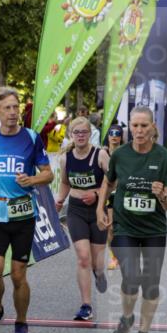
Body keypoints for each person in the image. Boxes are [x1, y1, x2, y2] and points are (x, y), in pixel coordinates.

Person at [0, 87, 53, 333]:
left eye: (16, 107)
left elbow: (48, 173)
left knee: (19, 274)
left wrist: (32, 179)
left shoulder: (31, 137)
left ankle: (21, 322)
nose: (12, 112)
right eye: (7, 108)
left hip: (23, 214)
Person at [97, 106, 167, 333]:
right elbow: (108, 181)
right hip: (124, 226)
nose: (139, 130)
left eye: (144, 126)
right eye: (135, 126)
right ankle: (127, 317)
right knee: (131, 276)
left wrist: (161, 194)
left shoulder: (164, 157)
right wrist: (101, 207)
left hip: (153, 228)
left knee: (151, 284)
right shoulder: (120, 155)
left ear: (153, 127)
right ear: (129, 127)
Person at [55, 117, 111, 320]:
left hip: (98, 211)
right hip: (76, 211)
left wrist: (96, 194)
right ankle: (86, 305)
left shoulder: (101, 155)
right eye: (76, 132)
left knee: (97, 263)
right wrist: (60, 199)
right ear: (71, 134)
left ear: (90, 134)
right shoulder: (65, 158)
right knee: (83, 258)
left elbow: (114, 181)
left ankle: (100, 273)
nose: (80, 136)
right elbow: (64, 182)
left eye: (83, 132)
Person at [103, 123, 125, 270]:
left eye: (118, 134)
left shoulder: (126, 152)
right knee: (109, 228)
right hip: (108, 194)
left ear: (121, 137)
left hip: (123, 193)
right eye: (112, 133)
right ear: (108, 136)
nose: (114, 137)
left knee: (123, 226)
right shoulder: (102, 153)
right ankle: (115, 256)